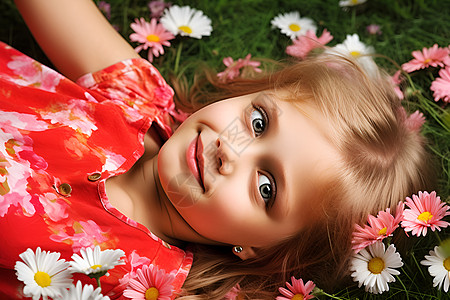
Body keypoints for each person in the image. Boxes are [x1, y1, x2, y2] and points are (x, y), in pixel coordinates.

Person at [0, 0, 434, 299]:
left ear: (261, 250)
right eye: (259, 122)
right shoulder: (141, 101)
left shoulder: (142, 279)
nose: (232, 151)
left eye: (267, 188)